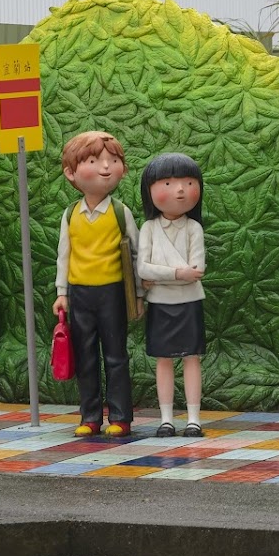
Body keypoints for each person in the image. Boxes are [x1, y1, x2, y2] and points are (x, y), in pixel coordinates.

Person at [51, 131, 139, 437]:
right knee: (85, 356)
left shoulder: (120, 213)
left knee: (116, 356)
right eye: (94, 160)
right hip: (80, 295)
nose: (105, 167)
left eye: (113, 160)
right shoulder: (70, 214)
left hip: (112, 292)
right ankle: (89, 416)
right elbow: (64, 255)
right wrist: (62, 293)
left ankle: (120, 417)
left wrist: (138, 293)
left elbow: (135, 254)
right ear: (71, 172)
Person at [136, 152, 206, 438]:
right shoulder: (149, 228)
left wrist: (160, 275)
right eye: (168, 183)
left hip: (189, 303)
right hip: (161, 305)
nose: (179, 190)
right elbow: (142, 268)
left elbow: (198, 268)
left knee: (192, 357)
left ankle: (193, 418)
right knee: (163, 359)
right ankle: (166, 419)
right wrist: (178, 274)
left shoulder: (194, 228)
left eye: (188, 182)